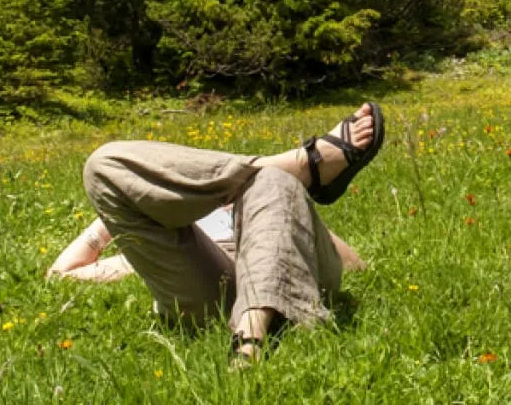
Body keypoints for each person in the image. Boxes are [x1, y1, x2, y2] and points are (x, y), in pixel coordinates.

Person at [49, 102, 387, 365]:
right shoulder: (175, 243)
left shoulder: (270, 194)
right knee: (101, 163)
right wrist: (114, 217)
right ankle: (303, 166)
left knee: (273, 181)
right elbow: (60, 274)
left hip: (290, 267)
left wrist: (282, 214)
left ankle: (249, 340)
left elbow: (354, 264)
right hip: (212, 283)